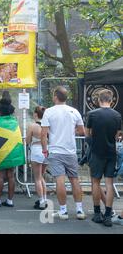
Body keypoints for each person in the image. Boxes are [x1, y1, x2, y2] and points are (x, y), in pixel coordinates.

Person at [41, 86, 86, 220]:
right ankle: (79, 210)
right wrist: (72, 132)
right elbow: (82, 131)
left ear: (55, 96)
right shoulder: (74, 111)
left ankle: (63, 211)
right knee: (74, 180)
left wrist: (44, 149)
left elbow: (44, 134)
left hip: (55, 150)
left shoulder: (49, 112)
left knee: (59, 180)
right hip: (71, 151)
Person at [85, 89, 122, 227]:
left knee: (95, 182)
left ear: (99, 100)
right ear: (111, 100)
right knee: (109, 183)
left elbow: (87, 134)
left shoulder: (92, 114)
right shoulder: (117, 115)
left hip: (96, 152)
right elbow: (117, 135)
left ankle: (97, 213)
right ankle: (108, 215)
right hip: (111, 152)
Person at [0, 98, 25, 207]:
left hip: (1, 151)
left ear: (0, 111)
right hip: (13, 151)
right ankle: (10, 201)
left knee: (0, 176)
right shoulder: (15, 121)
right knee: (11, 175)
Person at [26, 106, 48, 210]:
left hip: (36, 151)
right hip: (47, 151)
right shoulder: (47, 126)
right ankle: (44, 198)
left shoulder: (32, 126)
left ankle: (41, 201)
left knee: (37, 178)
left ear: (35, 114)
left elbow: (28, 141)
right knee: (42, 176)